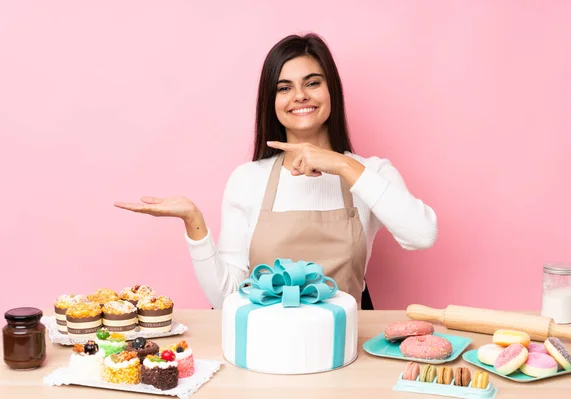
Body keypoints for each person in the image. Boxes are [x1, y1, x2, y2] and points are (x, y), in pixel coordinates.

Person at [114, 33, 438, 310]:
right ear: (271, 102)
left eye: (312, 83)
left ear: (332, 92)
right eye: (284, 88)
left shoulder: (368, 172)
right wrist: (193, 221)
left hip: (346, 345)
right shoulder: (248, 179)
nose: (300, 95)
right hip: (266, 349)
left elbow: (421, 235)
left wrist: (340, 164)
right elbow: (227, 295)